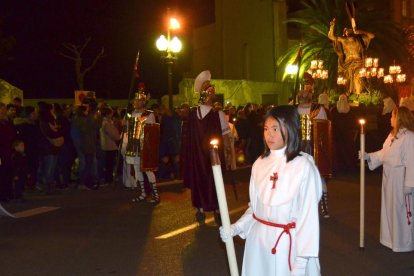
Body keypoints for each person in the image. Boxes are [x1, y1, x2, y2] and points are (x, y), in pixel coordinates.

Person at [219, 105, 322, 275]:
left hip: (287, 245)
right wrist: (236, 227)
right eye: (266, 128)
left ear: (290, 128)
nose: (269, 134)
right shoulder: (259, 163)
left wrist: (302, 261)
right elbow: (255, 210)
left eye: (275, 128)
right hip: (258, 244)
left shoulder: (303, 167)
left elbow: (308, 218)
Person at [360, 106, 414, 252]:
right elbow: (384, 153)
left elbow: (412, 160)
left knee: (401, 210)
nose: (390, 119)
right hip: (389, 177)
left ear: (399, 118)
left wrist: (409, 183)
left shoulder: (409, 137)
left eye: (392, 116)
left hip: (400, 178)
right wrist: (368, 156)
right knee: (390, 208)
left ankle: (403, 242)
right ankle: (390, 239)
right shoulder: (392, 136)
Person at [183, 70, 231, 225]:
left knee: (201, 181)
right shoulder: (218, 114)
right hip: (213, 155)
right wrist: (229, 152)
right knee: (214, 181)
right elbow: (225, 136)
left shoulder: (193, 114)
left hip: (199, 155)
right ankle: (215, 211)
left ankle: (203, 210)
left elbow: (187, 138)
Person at [297, 73, 331, 218]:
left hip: (314, 148)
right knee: (298, 179)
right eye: (302, 90)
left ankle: (323, 206)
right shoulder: (294, 110)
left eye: (307, 90)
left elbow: (323, 132)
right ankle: (300, 208)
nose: (304, 93)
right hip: (298, 148)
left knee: (319, 177)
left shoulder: (318, 109)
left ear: (311, 93)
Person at [123, 90, 160, 203]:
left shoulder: (149, 114)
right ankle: (143, 193)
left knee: (148, 170)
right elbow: (128, 130)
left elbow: (152, 132)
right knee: (136, 169)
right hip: (133, 146)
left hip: (145, 147)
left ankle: (155, 195)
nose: (135, 102)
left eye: (138, 100)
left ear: (143, 102)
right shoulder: (130, 114)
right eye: (135, 100)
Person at [328, 18, 375, 95]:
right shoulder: (343, 40)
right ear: (344, 32)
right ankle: (348, 94)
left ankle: (358, 94)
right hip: (347, 64)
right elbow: (331, 36)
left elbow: (372, 36)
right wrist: (332, 26)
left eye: (350, 30)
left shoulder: (360, 40)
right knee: (347, 81)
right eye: (347, 30)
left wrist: (360, 31)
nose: (348, 31)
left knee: (357, 78)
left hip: (359, 62)